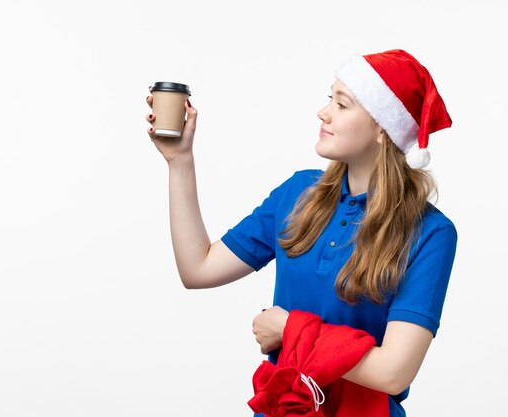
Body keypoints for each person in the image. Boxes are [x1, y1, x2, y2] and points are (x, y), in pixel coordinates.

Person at [145, 49, 458, 417]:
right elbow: (198, 269)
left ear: (382, 128)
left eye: (342, 105)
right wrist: (180, 161)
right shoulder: (298, 194)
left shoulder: (430, 232)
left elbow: (393, 372)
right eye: (330, 99)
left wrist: (291, 329)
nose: (323, 113)